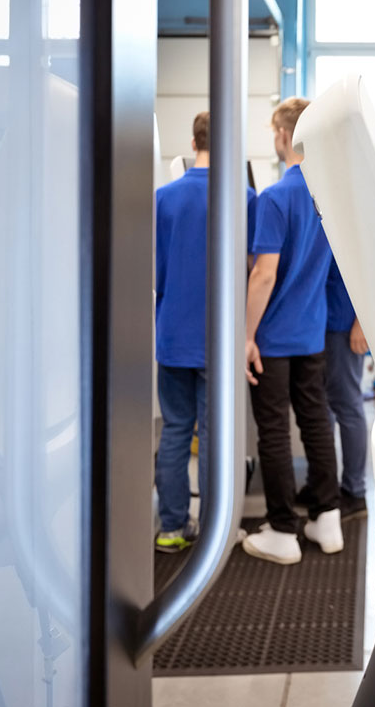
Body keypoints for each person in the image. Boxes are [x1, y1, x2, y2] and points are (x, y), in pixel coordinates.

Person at [242, 97, 343, 565]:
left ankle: (282, 530)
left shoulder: (275, 197)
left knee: (274, 430)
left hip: (275, 337)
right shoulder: (329, 193)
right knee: (316, 419)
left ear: (284, 136)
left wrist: (246, 335)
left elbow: (263, 274)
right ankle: (327, 518)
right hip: (312, 331)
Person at [153, 111, 256, 552]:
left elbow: (158, 271)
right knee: (215, 434)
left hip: (173, 334)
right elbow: (253, 269)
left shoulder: (164, 198)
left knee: (176, 430)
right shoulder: (244, 197)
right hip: (219, 337)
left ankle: (172, 528)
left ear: (192, 141)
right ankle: (217, 531)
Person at [298, 262, 369, 519]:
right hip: (321, 321)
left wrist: (363, 321)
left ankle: (354, 491)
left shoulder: (361, 223)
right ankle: (321, 483)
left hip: (344, 322)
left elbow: (373, 267)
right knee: (321, 407)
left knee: (347, 405)